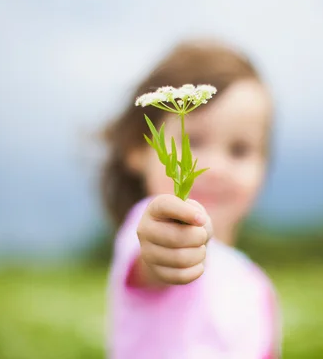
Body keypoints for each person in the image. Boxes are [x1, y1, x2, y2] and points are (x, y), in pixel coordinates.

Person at [100, 38, 281, 358]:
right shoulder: (146, 229)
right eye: (192, 141)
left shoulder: (256, 286)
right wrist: (162, 246)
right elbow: (154, 257)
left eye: (240, 150)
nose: (213, 168)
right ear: (138, 148)